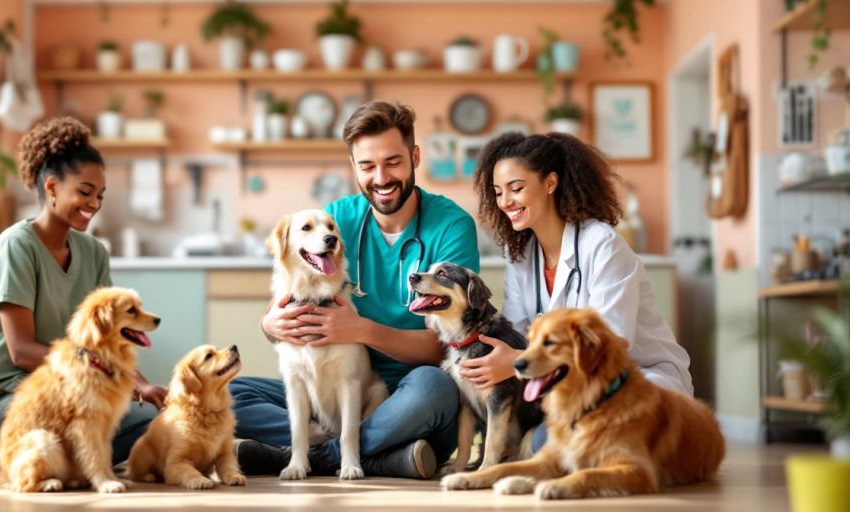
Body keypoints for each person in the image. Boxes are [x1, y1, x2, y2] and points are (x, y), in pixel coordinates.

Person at [230, 101, 481, 479]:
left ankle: (313, 456)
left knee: (435, 387)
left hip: (410, 398)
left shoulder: (451, 227)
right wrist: (271, 325)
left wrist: (360, 330)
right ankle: (380, 458)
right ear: (354, 168)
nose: (381, 178)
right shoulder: (337, 218)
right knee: (231, 393)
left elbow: (450, 345)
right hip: (329, 394)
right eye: (367, 166)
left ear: (414, 157)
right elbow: (288, 293)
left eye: (393, 162)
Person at [0, 117, 167, 489]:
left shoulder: (94, 252)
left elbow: (110, 341)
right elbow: (20, 352)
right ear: (51, 187)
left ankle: (14, 461)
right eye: (85, 192)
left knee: (148, 422)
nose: (94, 204)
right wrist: (93, 368)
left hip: (79, 390)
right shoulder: (16, 247)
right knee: (96, 424)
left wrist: (142, 387)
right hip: (11, 396)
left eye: (100, 195)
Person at [466, 131, 694, 451]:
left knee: (553, 441)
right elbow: (519, 333)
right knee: (544, 439)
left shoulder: (602, 245)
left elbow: (608, 343)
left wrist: (516, 361)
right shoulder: (519, 255)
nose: (505, 202)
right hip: (572, 388)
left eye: (516, 189)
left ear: (550, 183)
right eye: (498, 192)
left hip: (637, 380)